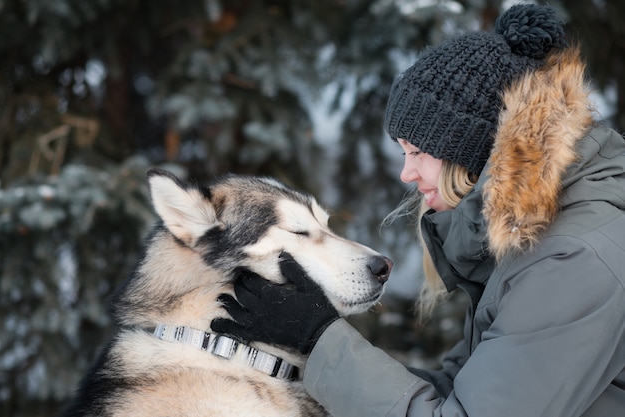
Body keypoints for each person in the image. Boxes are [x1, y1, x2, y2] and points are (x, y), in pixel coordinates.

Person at [211, 4, 625, 416]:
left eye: (419, 152)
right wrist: (301, 367)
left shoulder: (572, 258)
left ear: (473, 151)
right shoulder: (540, 240)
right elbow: (459, 392)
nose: (408, 173)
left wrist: (319, 341)